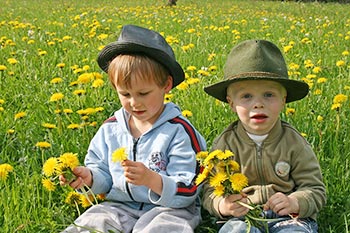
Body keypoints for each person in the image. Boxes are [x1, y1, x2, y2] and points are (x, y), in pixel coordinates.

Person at [60, 24, 206, 233]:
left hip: (170, 208)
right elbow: (103, 173)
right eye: (125, 94)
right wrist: (89, 178)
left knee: (164, 228)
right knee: (90, 224)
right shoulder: (110, 129)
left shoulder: (179, 130)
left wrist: (153, 180)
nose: (134, 103)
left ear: (166, 85)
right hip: (119, 206)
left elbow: (190, 185)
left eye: (144, 93)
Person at [202, 39, 326, 232]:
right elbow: (209, 190)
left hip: (288, 217)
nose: (258, 104)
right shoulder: (225, 144)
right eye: (246, 96)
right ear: (231, 103)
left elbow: (315, 189)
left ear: (283, 100)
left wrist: (295, 202)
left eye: (269, 95)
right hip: (242, 217)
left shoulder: (294, 142)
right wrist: (223, 205)